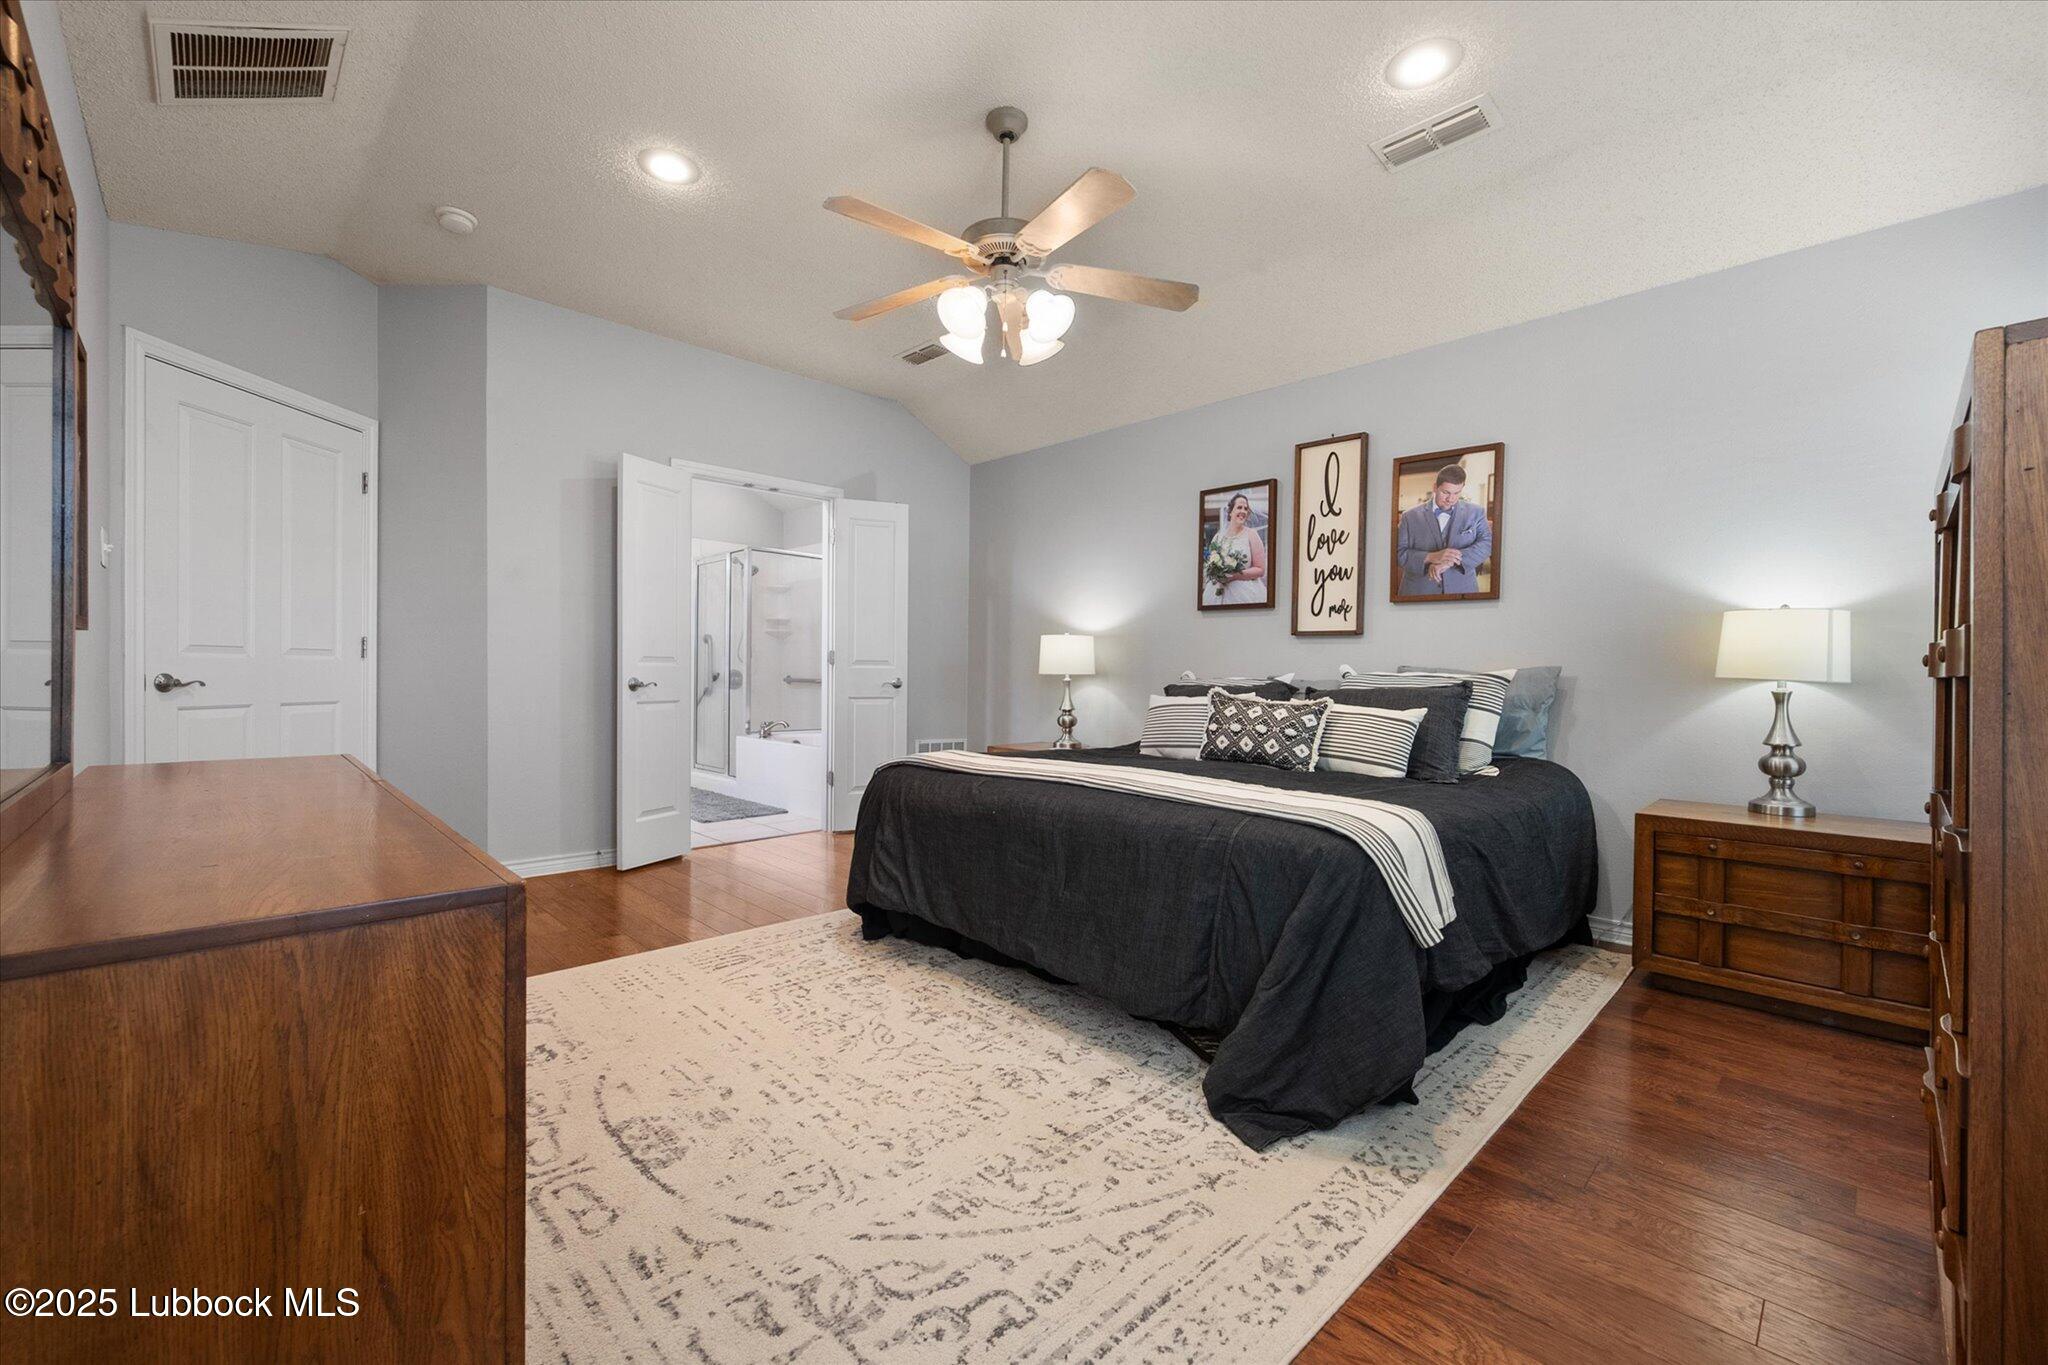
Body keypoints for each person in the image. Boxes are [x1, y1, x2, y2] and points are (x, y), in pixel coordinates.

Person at [1396, 464, 1492, 595]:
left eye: (1456, 493)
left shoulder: (1476, 512)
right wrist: (1431, 557)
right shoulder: (1409, 516)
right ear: (1435, 487)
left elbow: (1487, 544)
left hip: (1463, 590)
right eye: (1445, 492)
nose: (1450, 499)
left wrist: (1450, 561)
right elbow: (1398, 553)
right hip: (1418, 592)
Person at [1202, 491, 1268, 605]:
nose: (1243, 511)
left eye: (1246, 509)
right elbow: (1211, 565)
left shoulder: (1251, 534)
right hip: (1217, 590)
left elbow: (1260, 569)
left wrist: (1235, 575)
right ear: (1230, 512)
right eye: (1239, 507)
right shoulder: (1218, 537)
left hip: (1244, 592)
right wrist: (1217, 573)